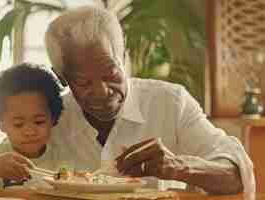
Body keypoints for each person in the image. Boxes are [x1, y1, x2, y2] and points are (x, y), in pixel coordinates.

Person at [45, 5, 255, 199]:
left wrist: (178, 166)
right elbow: (16, 171)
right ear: (62, 78)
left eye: (110, 73)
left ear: (123, 57)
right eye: (83, 82)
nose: (102, 91)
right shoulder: (47, 118)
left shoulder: (171, 103)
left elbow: (236, 175)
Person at [0, 63, 63, 189]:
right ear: (1, 124)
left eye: (39, 122)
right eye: (18, 124)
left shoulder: (64, 158)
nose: (30, 132)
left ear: (53, 119)